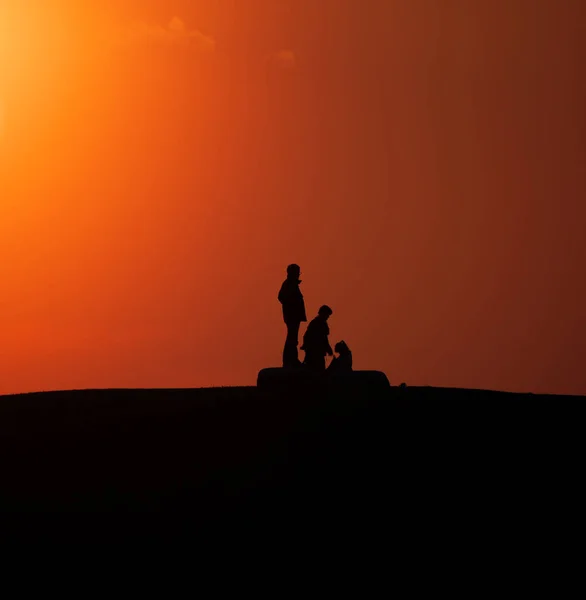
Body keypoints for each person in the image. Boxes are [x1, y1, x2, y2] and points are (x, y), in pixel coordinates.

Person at [278, 264, 307, 367]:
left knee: (293, 338)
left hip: (294, 316)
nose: (298, 275)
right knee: (292, 338)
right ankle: (290, 360)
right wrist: (292, 305)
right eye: (297, 272)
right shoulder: (289, 284)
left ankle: (292, 359)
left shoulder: (291, 284)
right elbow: (281, 297)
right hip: (292, 316)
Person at [301, 305, 333, 371]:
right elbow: (323, 338)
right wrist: (328, 348)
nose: (328, 317)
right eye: (327, 315)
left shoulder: (315, 323)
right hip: (316, 352)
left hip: (313, 351)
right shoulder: (319, 324)